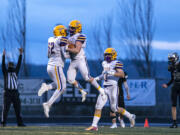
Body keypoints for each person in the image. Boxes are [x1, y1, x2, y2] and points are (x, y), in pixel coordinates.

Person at [85, 48, 135, 131]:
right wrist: (96, 79)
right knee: (98, 106)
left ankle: (130, 116)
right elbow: (104, 75)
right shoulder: (104, 63)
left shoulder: (116, 63)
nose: (107, 56)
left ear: (113, 55)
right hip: (105, 87)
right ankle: (94, 125)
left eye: (109, 54)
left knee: (114, 109)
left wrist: (111, 72)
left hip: (113, 87)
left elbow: (122, 74)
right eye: (106, 55)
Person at [66, 20, 106, 100]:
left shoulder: (81, 36)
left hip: (80, 60)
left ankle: (100, 89)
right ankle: (82, 91)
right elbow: (68, 53)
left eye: (72, 28)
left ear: (78, 28)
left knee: (87, 77)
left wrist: (66, 47)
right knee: (70, 80)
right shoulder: (69, 38)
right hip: (73, 61)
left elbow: (76, 50)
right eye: (70, 28)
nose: (70, 30)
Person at [38, 25, 71, 118]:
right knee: (62, 87)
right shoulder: (61, 39)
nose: (66, 32)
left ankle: (47, 87)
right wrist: (74, 54)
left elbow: (48, 55)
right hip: (56, 66)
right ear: (60, 31)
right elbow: (65, 55)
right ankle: (48, 104)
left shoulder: (50, 39)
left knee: (61, 84)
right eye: (64, 31)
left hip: (50, 65)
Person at [1, 48, 25, 127]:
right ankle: (3, 123)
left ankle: (20, 123)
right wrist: (3, 56)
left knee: (18, 109)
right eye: (10, 65)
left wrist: (21, 54)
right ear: (8, 66)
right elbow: (3, 65)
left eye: (12, 65)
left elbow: (19, 63)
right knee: (5, 109)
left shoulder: (15, 71)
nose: (11, 66)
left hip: (15, 92)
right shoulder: (6, 72)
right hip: (7, 93)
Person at [162, 52, 180, 128]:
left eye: (172, 59)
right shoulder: (172, 67)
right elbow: (173, 78)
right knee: (174, 105)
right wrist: (167, 84)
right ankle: (174, 123)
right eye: (170, 59)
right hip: (175, 86)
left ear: (176, 58)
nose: (171, 60)